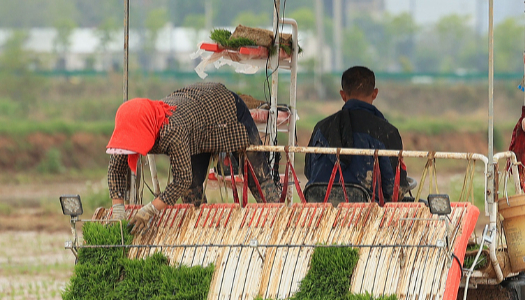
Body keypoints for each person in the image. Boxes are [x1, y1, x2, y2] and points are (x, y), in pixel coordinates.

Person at [107, 82, 279, 229]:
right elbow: (115, 169)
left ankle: (278, 221)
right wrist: (118, 211)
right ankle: (203, 230)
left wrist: (150, 209)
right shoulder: (129, 127)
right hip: (195, 125)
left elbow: (181, 179)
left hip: (221, 107)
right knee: (191, 188)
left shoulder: (172, 129)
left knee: (258, 177)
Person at [303, 66, 412, 204]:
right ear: (375, 93)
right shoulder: (387, 132)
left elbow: (309, 172)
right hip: (366, 213)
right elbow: (394, 188)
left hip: (319, 209)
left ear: (343, 95)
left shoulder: (321, 128)